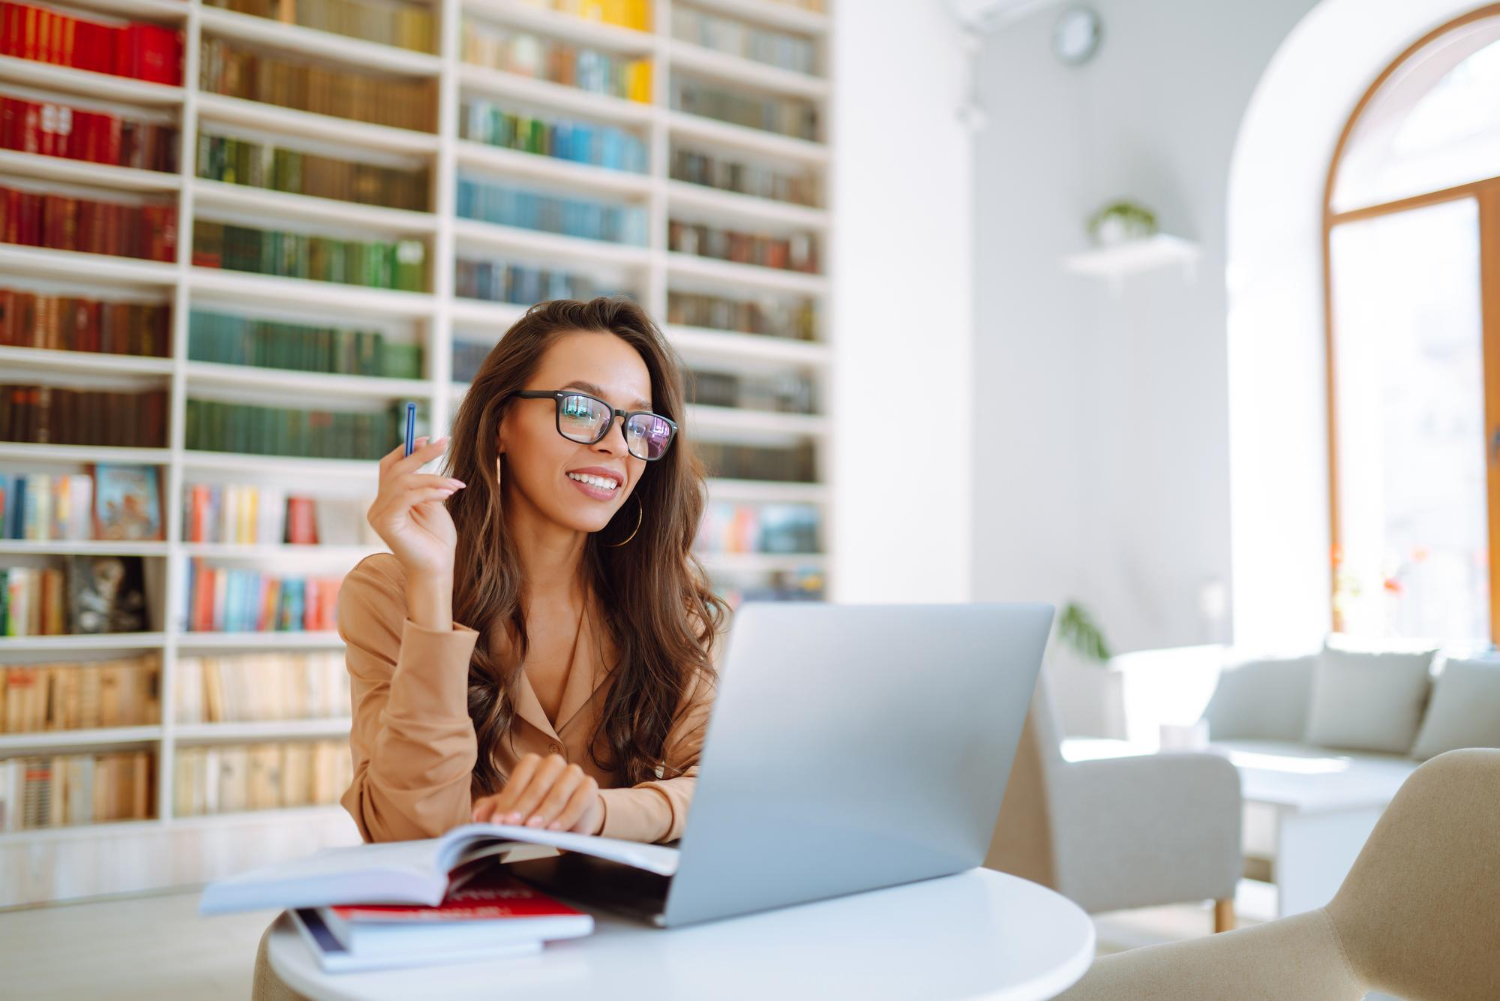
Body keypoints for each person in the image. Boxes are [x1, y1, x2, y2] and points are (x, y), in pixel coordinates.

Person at [339, 296, 729, 845]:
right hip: (469, 925)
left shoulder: (669, 603)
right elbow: (407, 832)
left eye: (639, 425)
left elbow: (722, 788)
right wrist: (431, 592)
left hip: (617, 923)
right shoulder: (389, 590)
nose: (616, 444)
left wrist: (595, 814)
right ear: (502, 422)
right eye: (580, 409)